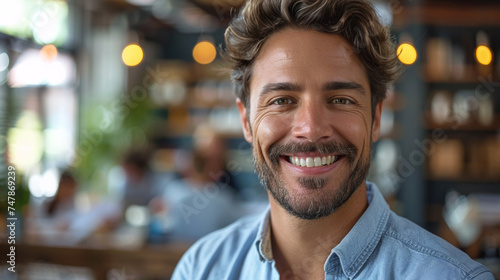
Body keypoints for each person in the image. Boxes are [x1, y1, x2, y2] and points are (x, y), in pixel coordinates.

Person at [172, 0, 494, 279]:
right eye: (282, 100)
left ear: (376, 118)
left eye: (340, 99)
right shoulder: (200, 269)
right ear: (246, 120)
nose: (310, 129)